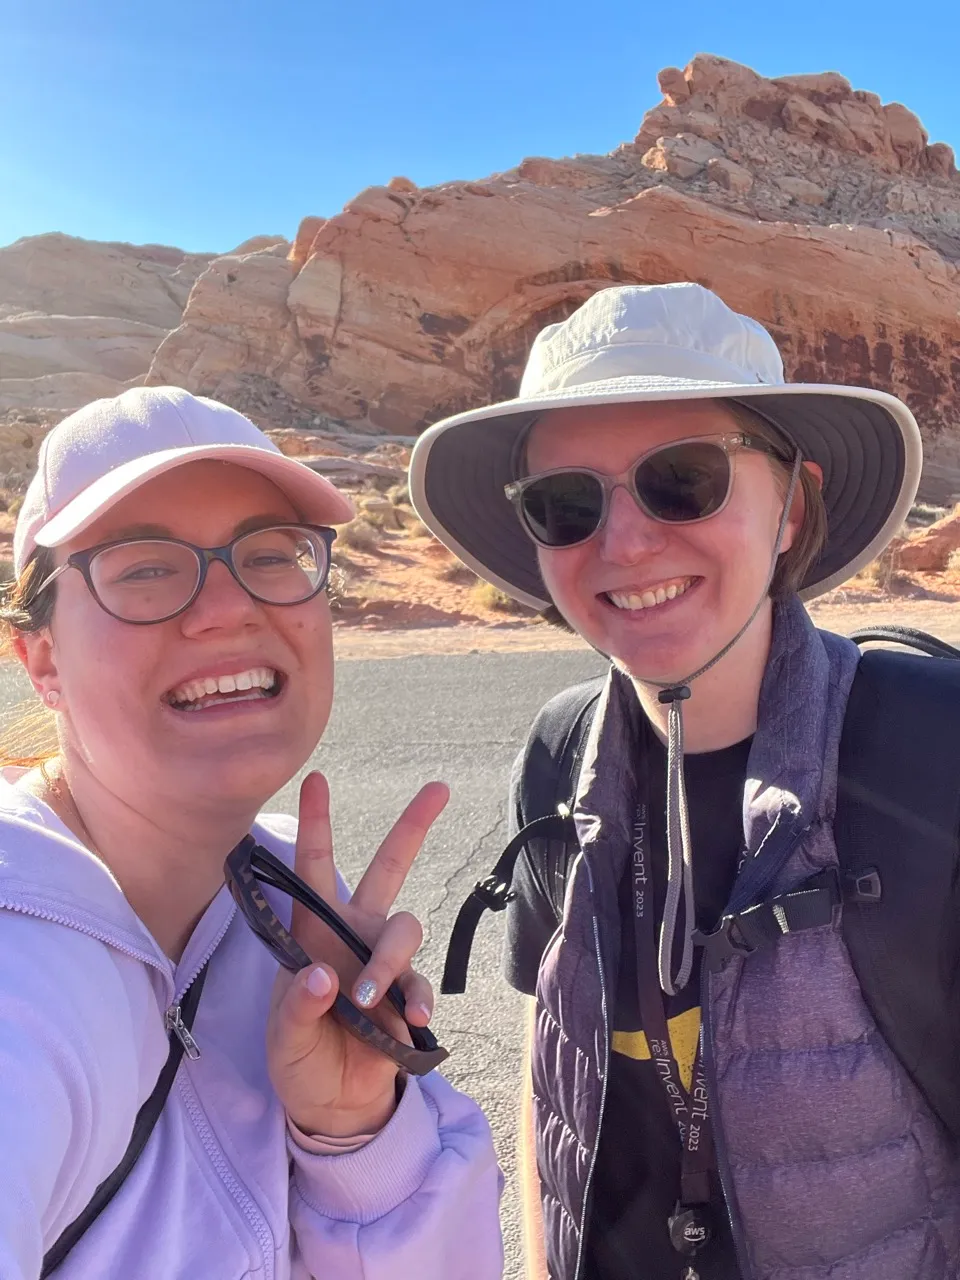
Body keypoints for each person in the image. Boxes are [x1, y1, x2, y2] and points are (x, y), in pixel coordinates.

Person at [409, 283, 960, 1280]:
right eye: (567, 504)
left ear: (790, 506)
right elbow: (554, 1061)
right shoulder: (557, 751)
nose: (622, 544)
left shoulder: (932, 742)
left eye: (684, 479)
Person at [0, 386, 503, 1279]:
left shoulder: (280, 901)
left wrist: (355, 1138)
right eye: (144, 566)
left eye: (270, 555)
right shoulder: (20, 982)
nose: (227, 608)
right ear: (40, 658)